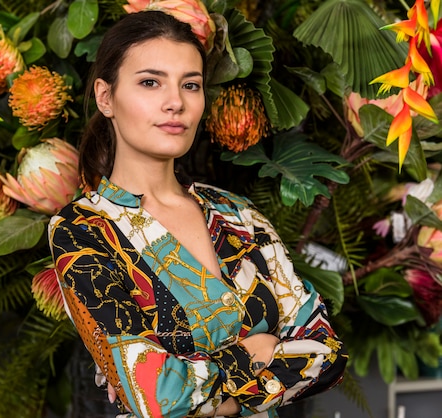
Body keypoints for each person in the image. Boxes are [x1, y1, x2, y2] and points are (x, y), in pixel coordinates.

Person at [48, 10, 348, 418]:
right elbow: (157, 398)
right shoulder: (82, 230)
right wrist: (256, 352)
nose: (175, 102)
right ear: (106, 97)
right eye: (150, 82)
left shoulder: (236, 213)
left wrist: (208, 391)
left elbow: (326, 351)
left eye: (190, 85)